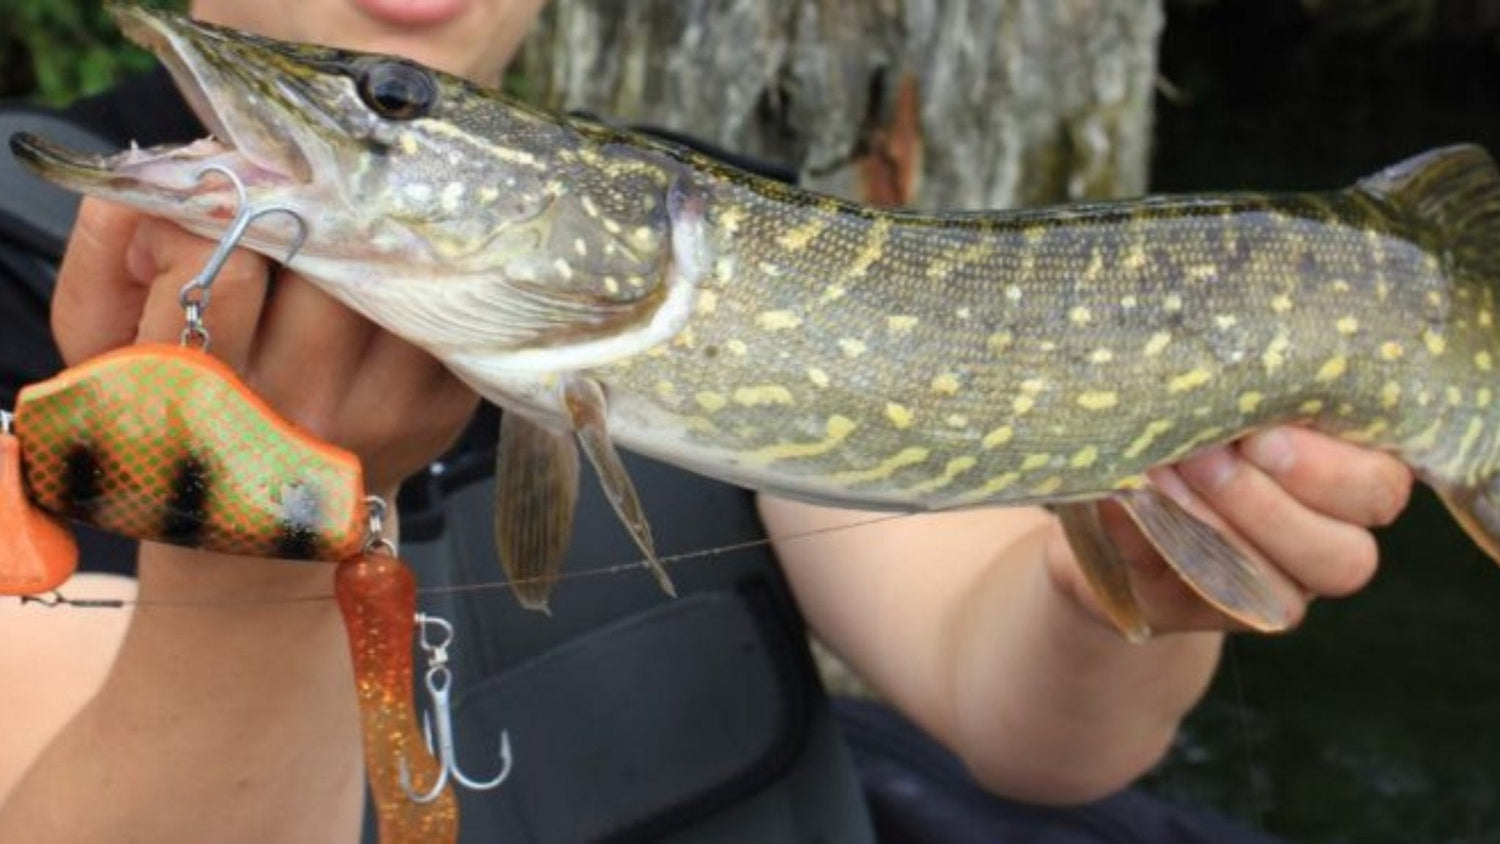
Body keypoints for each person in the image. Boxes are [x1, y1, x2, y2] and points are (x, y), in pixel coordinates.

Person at [0, 1, 1412, 841]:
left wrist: (1135, 580)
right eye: (389, 105)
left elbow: (1037, 729)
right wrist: (247, 553)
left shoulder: (725, 228)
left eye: (391, 110)